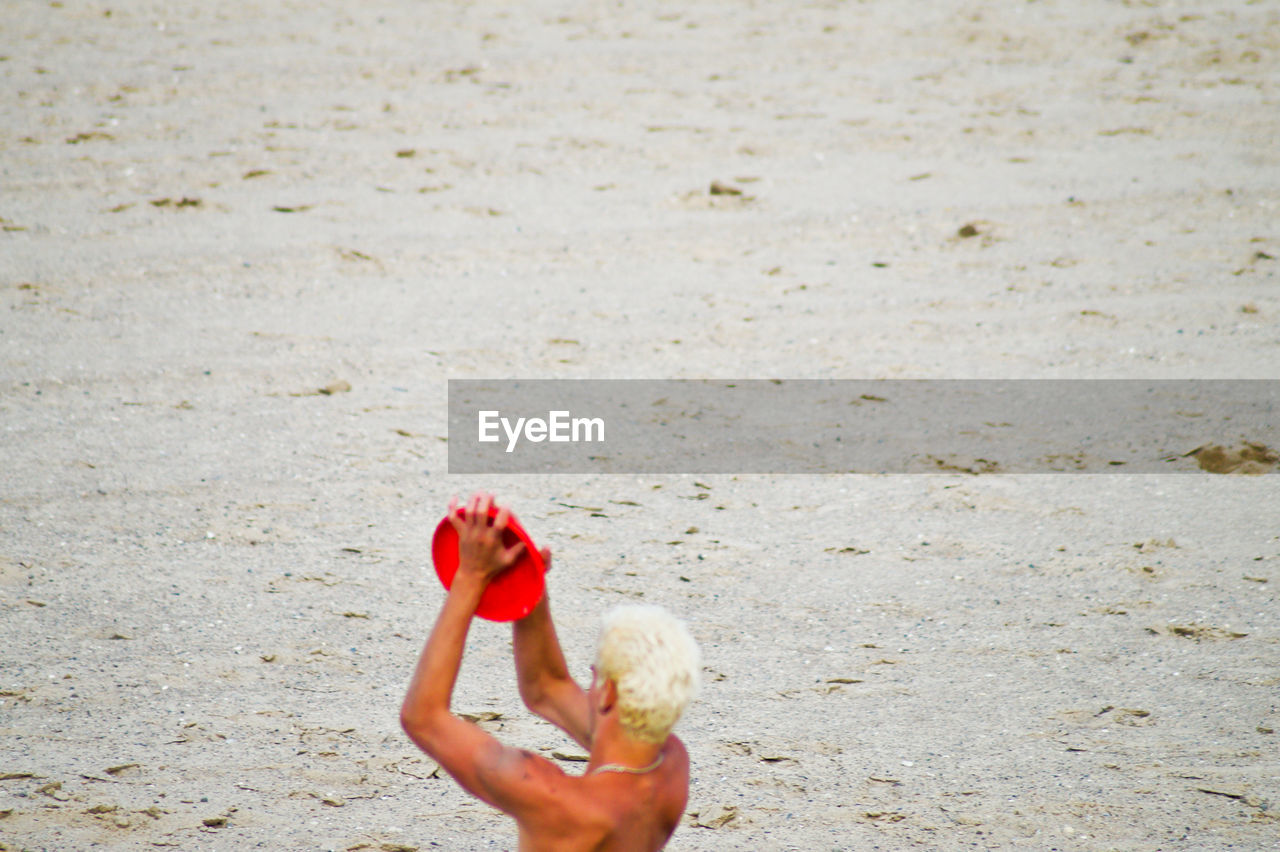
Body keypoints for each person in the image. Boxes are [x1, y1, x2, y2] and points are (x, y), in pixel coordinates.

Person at [400, 493, 701, 851]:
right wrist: (529, 587)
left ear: (608, 694)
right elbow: (546, 687)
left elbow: (423, 717)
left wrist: (470, 576)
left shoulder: (556, 802)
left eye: (596, 677)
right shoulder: (671, 768)